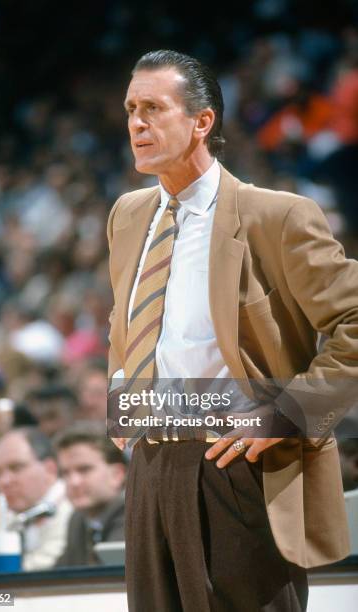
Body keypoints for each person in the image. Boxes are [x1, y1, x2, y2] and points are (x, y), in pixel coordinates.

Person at [107, 50, 358, 611]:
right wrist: (121, 389)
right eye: (130, 109)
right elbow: (123, 318)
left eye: (153, 107)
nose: (136, 123)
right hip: (149, 465)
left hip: (238, 464)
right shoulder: (126, 215)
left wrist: (289, 413)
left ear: (203, 121)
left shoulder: (277, 215)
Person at [0, 427, 72, 570]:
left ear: (50, 469)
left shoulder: (73, 506)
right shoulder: (5, 511)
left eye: (16, 468)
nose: (4, 481)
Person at [54, 427, 126, 566]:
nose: (73, 482)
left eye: (84, 469)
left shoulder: (135, 514)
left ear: (117, 475)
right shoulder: (78, 519)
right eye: (65, 473)